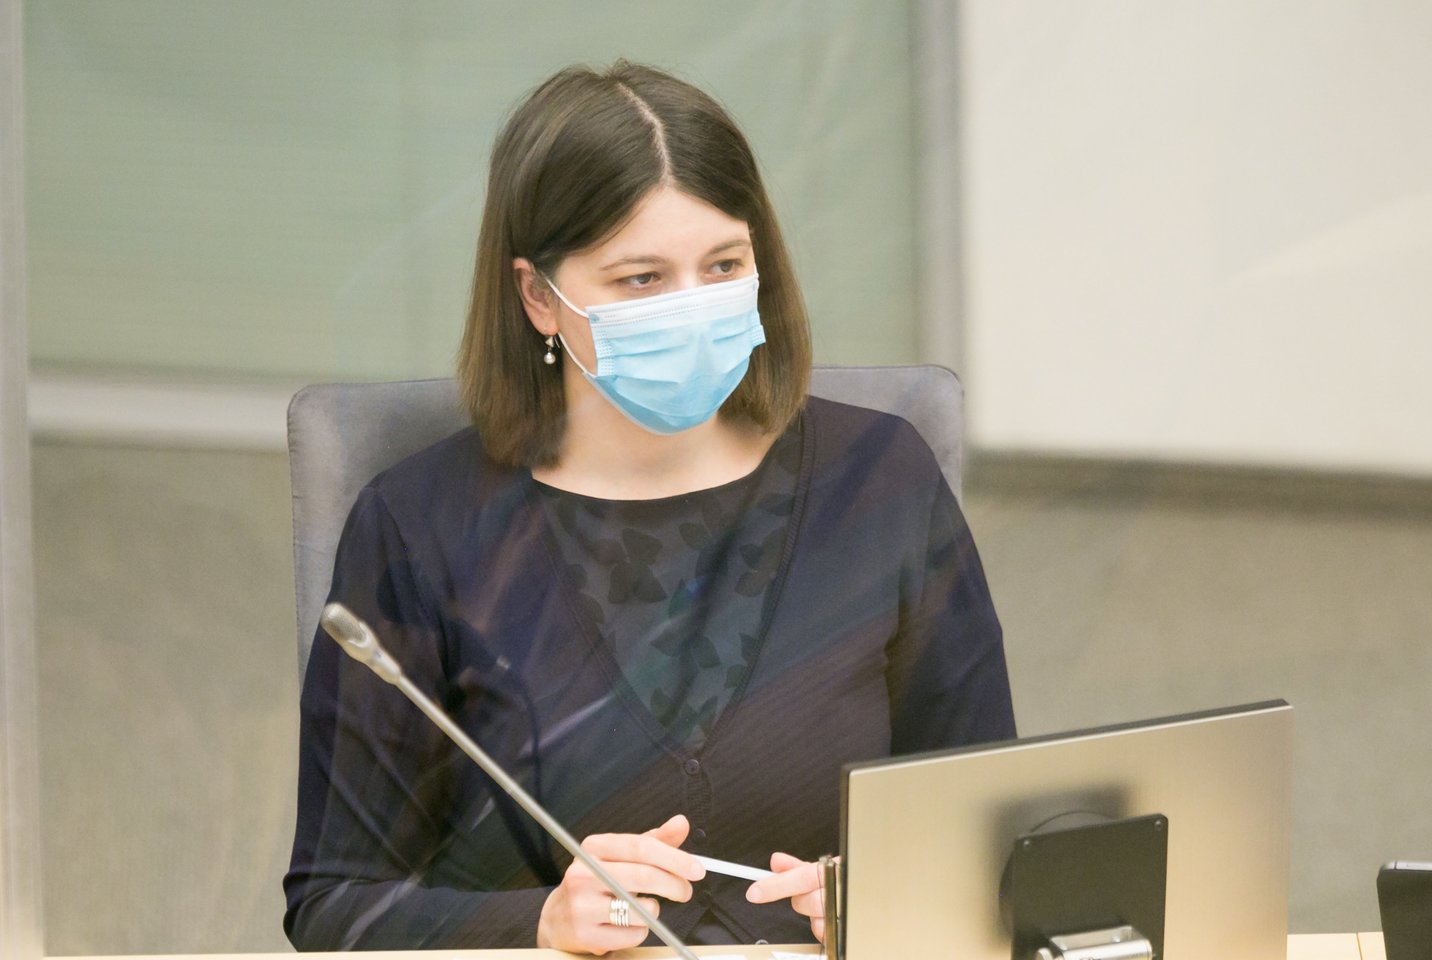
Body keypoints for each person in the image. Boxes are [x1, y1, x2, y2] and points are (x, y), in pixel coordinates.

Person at [283, 60, 1015, 954]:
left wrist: (893, 898)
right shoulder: (419, 526)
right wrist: (538, 921)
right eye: (641, 279)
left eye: (724, 265)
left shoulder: (880, 479)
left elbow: (991, 840)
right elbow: (336, 904)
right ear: (538, 297)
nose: (693, 309)